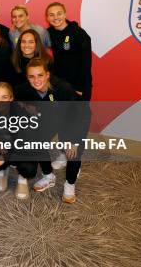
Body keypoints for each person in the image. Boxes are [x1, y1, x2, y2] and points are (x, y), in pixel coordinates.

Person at [15, 58, 87, 203]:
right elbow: (16, 102)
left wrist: (73, 140)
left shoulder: (63, 88)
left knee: (72, 151)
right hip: (50, 118)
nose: (36, 80)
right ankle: (48, 176)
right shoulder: (24, 89)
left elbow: (78, 115)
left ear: (47, 75)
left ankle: (70, 185)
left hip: (74, 117)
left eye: (40, 75)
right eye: (31, 76)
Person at [46, 2, 93, 101]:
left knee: (79, 115)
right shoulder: (48, 33)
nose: (55, 17)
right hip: (59, 83)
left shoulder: (78, 33)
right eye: (51, 15)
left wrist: (80, 87)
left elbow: (86, 62)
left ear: (65, 14)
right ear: (47, 18)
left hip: (79, 84)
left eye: (59, 13)